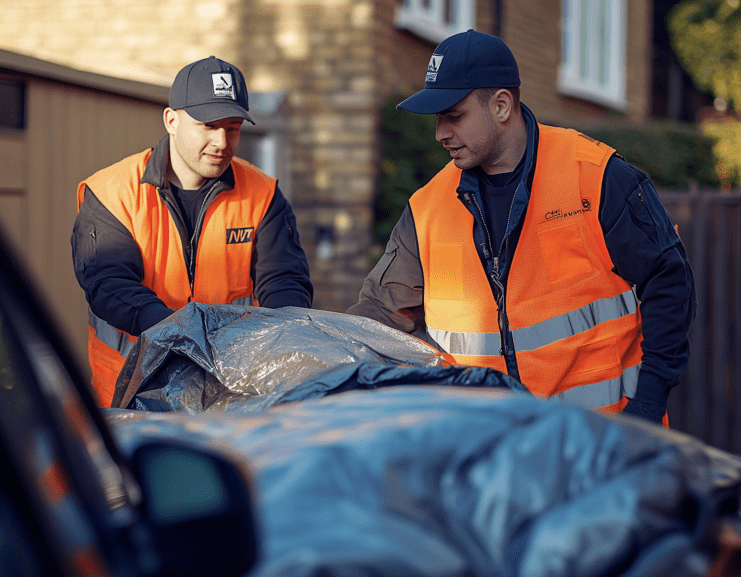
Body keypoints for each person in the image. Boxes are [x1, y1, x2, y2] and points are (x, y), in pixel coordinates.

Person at [347, 30, 696, 424]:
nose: (440, 133)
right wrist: (318, 361)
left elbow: (669, 283)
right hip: (491, 455)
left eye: (453, 116)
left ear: (500, 106)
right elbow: (380, 314)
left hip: (601, 447)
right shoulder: (426, 208)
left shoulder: (595, 177)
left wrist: (649, 403)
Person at [72, 56, 313, 407]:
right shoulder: (112, 193)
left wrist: (281, 344)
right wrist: (188, 336)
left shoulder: (263, 194)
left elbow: (285, 283)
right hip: (132, 395)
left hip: (233, 394)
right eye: (208, 125)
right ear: (172, 120)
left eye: (232, 128)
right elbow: (110, 285)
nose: (221, 141)